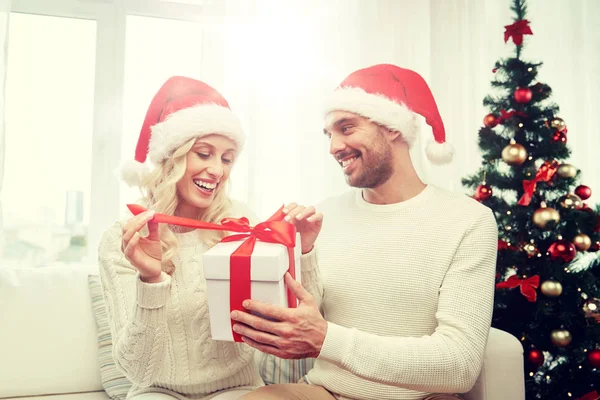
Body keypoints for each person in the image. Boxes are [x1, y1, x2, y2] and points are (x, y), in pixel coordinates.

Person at [232, 64, 499, 400]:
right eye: (329, 134)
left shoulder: (468, 221)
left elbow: (459, 365)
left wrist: (328, 339)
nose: (333, 147)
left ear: (392, 128)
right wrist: (306, 254)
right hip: (326, 391)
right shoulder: (326, 214)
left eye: (346, 128)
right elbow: (311, 320)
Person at [98, 76, 323, 400]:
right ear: (172, 157)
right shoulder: (122, 240)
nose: (217, 170)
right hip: (157, 390)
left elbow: (303, 326)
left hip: (238, 388)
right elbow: (138, 370)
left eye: (227, 158)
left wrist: (303, 250)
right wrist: (151, 280)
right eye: (204, 154)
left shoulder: (241, 225)